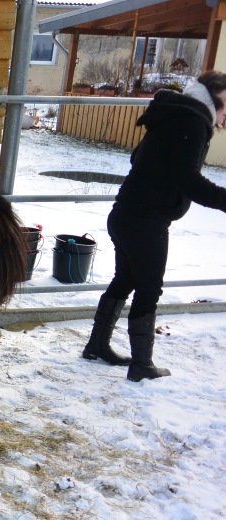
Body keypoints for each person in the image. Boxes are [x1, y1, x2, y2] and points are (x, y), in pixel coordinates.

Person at [83, 71, 226, 381]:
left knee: (125, 279)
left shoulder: (173, 115)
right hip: (145, 221)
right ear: (212, 98)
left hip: (125, 213)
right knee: (149, 289)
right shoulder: (192, 123)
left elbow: (139, 159)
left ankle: (96, 345)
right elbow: (188, 180)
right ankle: (142, 365)